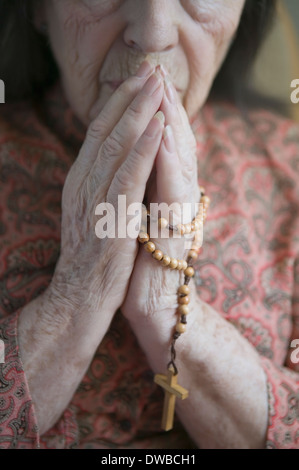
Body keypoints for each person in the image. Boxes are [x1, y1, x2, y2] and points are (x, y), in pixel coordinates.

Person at [0, 0, 298, 450]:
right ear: (40, 9)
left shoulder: (290, 167)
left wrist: (174, 312)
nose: (154, 34)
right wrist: (76, 296)